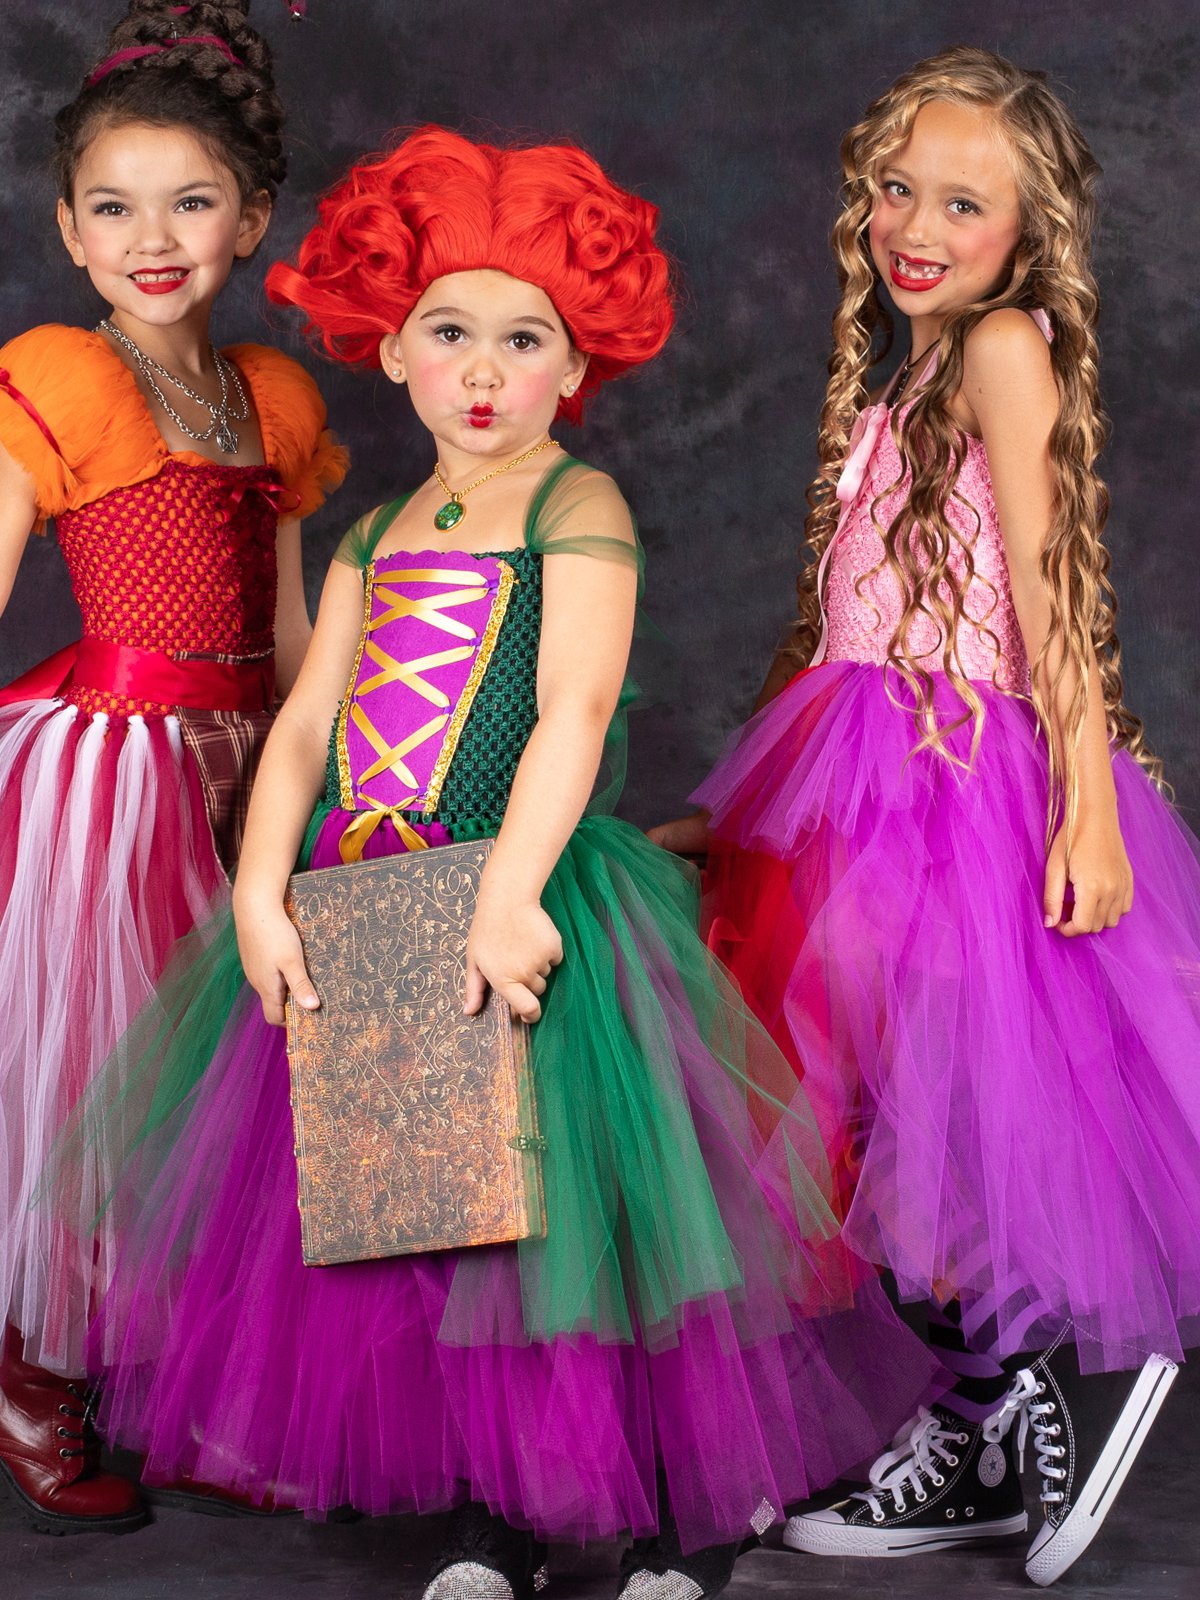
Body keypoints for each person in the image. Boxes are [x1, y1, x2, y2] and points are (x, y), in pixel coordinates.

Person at [63, 125, 946, 1600]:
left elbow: (572, 712)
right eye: (450, 333)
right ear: (392, 350)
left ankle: (684, 1516)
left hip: (522, 905)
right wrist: (262, 895)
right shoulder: (374, 531)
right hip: (372, 906)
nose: (482, 371)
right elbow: (306, 727)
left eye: (522, 339)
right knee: (436, 1236)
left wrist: (512, 892)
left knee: (579, 1229)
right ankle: (499, 1512)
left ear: (576, 363)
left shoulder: (570, 505)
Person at [655, 45, 1200, 1587]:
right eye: (899, 189)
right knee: (861, 1122)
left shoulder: (1005, 347)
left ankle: (1037, 1389)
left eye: (965, 204)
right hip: (851, 774)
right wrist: (740, 814)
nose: (917, 226)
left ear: (1028, 235)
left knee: (928, 1114)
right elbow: (849, 612)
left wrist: (1088, 807)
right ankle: (975, 1417)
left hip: (954, 783)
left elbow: (1052, 588)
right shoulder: (906, 371)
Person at [0, 0, 345, 1534]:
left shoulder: (271, 395)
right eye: (116, 208)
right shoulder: (61, 376)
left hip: (246, 765)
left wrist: (318, 776)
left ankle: (197, 1380)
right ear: (69, 230)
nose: (154, 240)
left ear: (252, 217)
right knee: (106, 1074)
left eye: (191, 203)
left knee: (234, 1084)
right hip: (112, 777)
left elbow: (293, 627)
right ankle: (34, 1367)